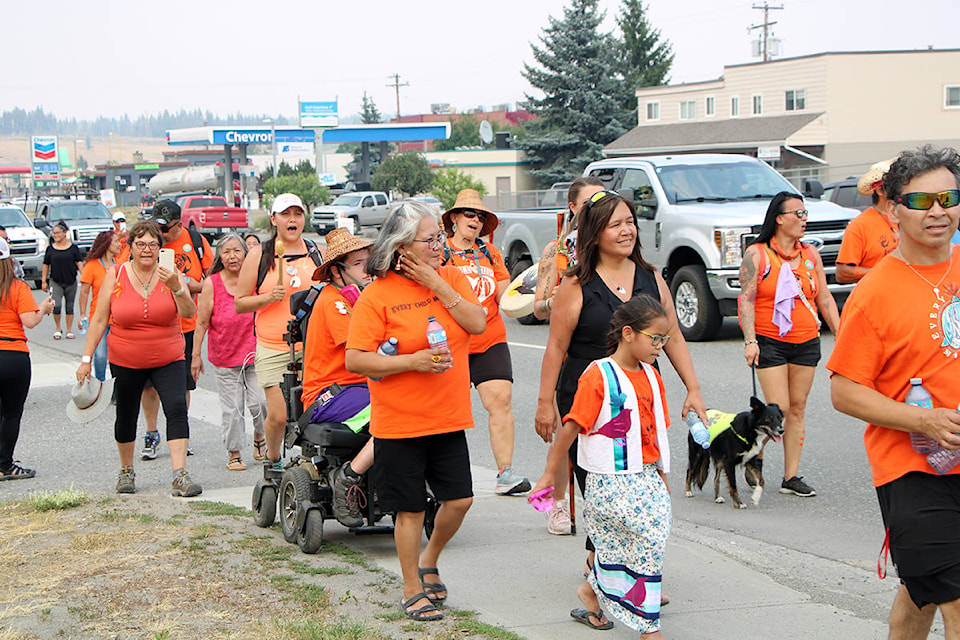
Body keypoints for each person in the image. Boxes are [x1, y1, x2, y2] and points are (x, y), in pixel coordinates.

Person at [535, 190, 705, 582]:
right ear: (595, 234)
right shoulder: (576, 286)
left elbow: (674, 337)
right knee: (605, 500)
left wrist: (692, 389)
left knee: (643, 496)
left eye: (630, 221)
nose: (627, 230)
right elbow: (556, 348)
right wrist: (546, 404)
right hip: (590, 402)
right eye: (616, 224)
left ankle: (632, 576)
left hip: (643, 400)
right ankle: (600, 585)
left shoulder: (651, 277)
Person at [829, 145, 960, 640]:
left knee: (922, 592)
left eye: (947, 197)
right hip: (914, 468)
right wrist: (924, 420)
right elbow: (844, 391)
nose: (937, 211)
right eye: (921, 201)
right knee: (956, 601)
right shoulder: (875, 293)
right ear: (893, 209)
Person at [345, 201, 486, 622]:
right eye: (431, 240)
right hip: (401, 420)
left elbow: (477, 323)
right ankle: (411, 588)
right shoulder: (377, 295)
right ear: (402, 246)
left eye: (441, 237)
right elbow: (356, 360)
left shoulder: (451, 277)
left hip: (448, 415)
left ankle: (430, 559)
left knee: (459, 500)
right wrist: (413, 362)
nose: (440, 245)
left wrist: (436, 282)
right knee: (410, 509)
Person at [533, 294, 672, 636]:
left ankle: (592, 591)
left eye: (663, 339)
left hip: (646, 475)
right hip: (609, 479)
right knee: (644, 539)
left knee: (630, 542)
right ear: (628, 334)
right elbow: (570, 430)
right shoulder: (598, 375)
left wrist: (663, 476)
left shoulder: (653, 376)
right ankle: (648, 627)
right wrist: (550, 475)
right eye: (655, 338)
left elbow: (656, 434)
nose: (660, 346)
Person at [75, 220, 201, 496]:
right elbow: (99, 320)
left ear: (160, 248)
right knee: (126, 413)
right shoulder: (116, 273)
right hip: (126, 357)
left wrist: (177, 287)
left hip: (168, 355)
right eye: (141, 244)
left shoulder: (171, 273)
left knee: (177, 407)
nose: (147, 250)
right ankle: (126, 471)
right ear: (129, 246)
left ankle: (180, 474)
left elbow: (190, 312)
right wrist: (86, 359)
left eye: (153, 245)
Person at [738, 191, 840, 498]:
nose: (804, 219)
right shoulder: (758, 254)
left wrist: (842, 334)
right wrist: (750, 340)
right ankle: (753, 456)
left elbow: (823, 296)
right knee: (778, 408)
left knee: (798, 408)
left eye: (805, 213)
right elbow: (746, 299)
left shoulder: (810, 254)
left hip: (806, 340)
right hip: (770, 341)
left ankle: (791, 476)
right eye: (798, 213)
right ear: (779, 218)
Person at [441, 189, 530, 495]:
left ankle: (506, 473)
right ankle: (440, 477)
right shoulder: (441, 253)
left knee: (501, 402)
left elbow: (506, 296)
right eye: (469, 214)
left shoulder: (490, 254)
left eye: (480, 217)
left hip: (490, 338)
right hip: (451, 342)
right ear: (454, 218)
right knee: (446, 413)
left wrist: (537, 295)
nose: (475, 221)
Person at [533, 176, 605, 534]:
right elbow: (538, 305)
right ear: (573, 207)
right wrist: (565, 299)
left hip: (604, 352)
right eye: (590, 201)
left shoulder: (610, 246)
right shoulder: (557, 250)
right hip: (568, 352)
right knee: (565, 431)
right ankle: (556, 504)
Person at [235, 193, 322, 476]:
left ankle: (310, 463)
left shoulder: (316, 252)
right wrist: (267, 298)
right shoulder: (260, 254)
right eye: (286, 214)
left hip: (312, 345)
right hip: (273, 346)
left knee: (313, 410)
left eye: (297, 214)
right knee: (279, 414)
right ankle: (273, 457)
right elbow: (240, 302)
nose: (292, 219)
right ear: (274, 220)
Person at [301, 227, 375, 528]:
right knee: (397, 409)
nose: (368, 269)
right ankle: (350, 476)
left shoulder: (355, 297)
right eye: (359, 263)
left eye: (368, 261)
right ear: (336, 270)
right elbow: (360, 357)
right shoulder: (335, 302)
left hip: (354, 390)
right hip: (329, 394)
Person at [139, 199, 212, 460]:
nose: (161, 235)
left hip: (185, 325)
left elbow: (211, 281)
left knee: (183, 384)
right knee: (149, 385)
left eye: (166, 229)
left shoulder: (196, 242)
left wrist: (188, 285)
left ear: (178, 224)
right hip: (152, 324)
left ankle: (180, 433)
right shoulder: (147, 245)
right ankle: (151, 433)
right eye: (157, 228)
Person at [191, 233, 266, 471]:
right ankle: (234, 452)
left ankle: (260, 437)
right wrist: (195, 356)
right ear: (219, 257)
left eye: (237, 251)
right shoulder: (211, 284)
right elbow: (201, 322)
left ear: (246, 253)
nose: (233, 256)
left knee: (261, 403)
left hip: (256, 354)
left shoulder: (255, 279)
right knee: (233, 408)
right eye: (227, 252)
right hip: (225, 357)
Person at [0, 238, 54, 480]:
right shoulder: (17, 287)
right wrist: (43, 308)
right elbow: (30, 321)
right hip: (13, 354)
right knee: (11, 413)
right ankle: (5, 464)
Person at [835, 159, 899, 284]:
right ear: (880, 190)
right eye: (896, 187)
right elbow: (843, 273)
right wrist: (885, 273)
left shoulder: (910, 218)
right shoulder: (860, 225)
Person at [78, 231, 121, 382]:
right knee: (101, 355)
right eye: (116, 241)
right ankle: (101, 383)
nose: (119, 244)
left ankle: (118, 386)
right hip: (99, 318)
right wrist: (82, 314)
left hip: (118, 318)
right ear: (107, 244)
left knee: (119, 356)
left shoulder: (120, 264)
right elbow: (84, 293)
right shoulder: (92, 266)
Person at [42, 221, 82, 339]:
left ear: (65, 233)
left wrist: (84, 277)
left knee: (69, 306)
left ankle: (69, 330)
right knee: (56, 305)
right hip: (56, 281)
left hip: (71, 281)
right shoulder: (50, 249)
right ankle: (58, 328)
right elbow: (46, 265)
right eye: (54, 233)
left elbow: (79, 263)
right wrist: (44, 281)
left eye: (58, 233)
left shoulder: (73, 248)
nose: (56, 235)